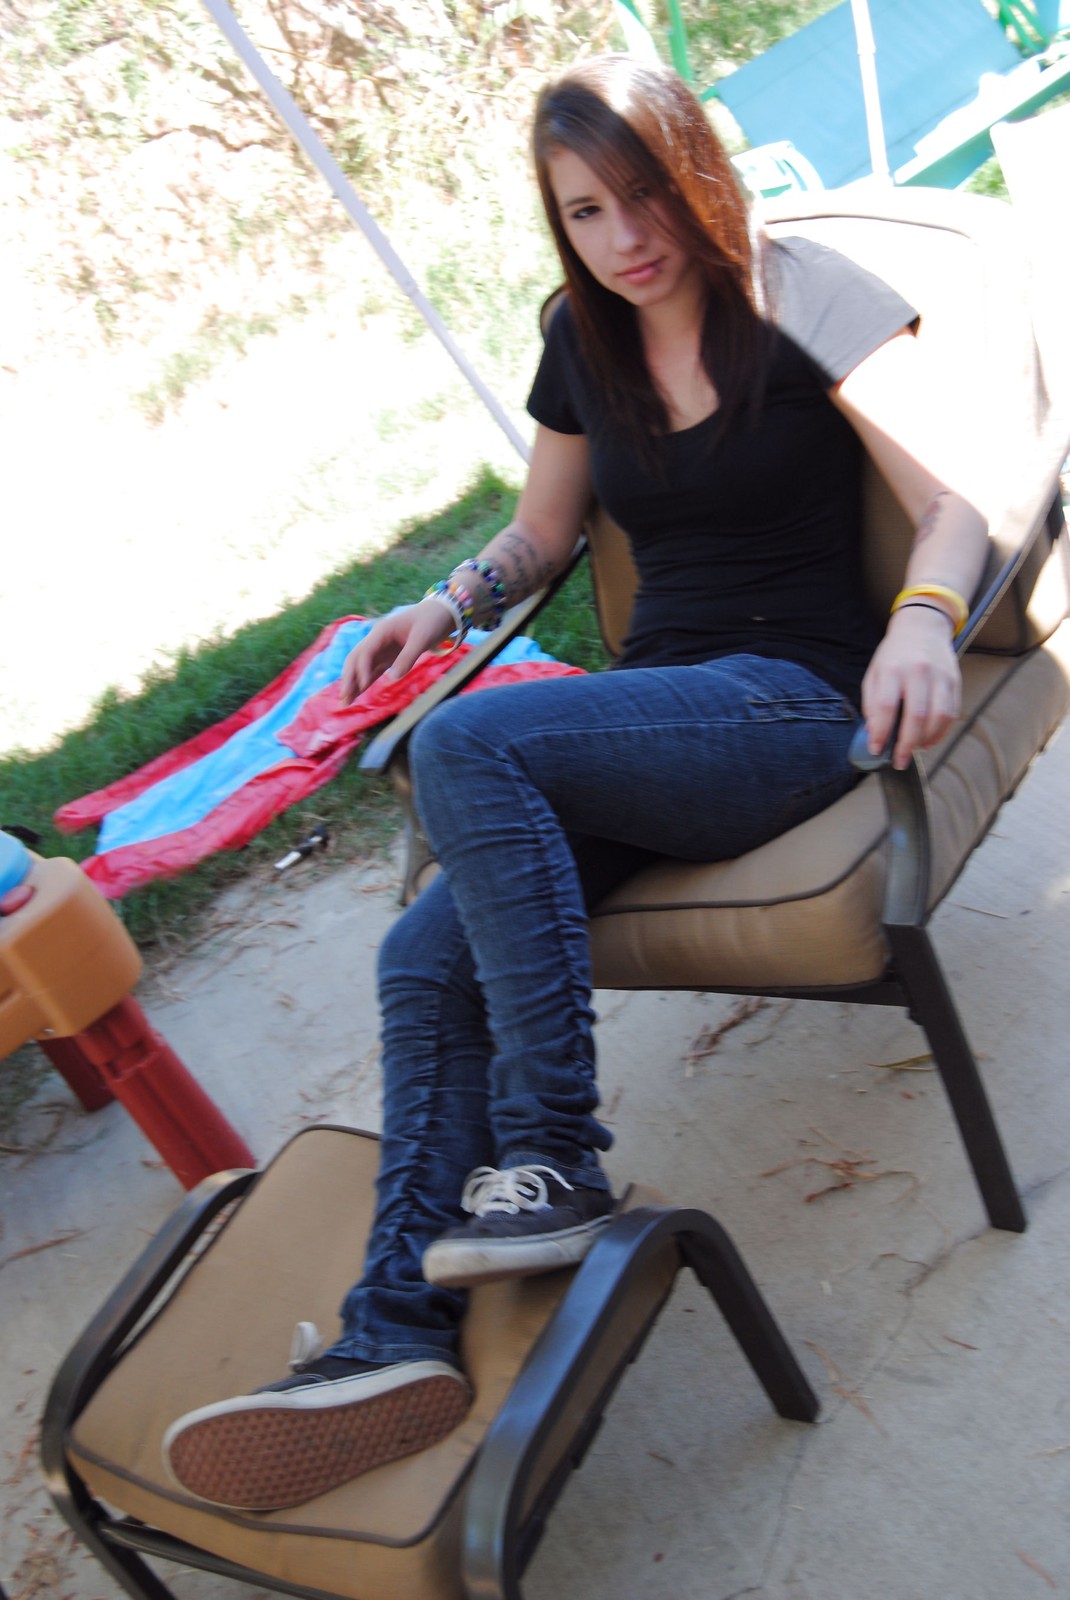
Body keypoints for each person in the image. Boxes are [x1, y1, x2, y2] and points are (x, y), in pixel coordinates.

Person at [162, 53, 988, 1512]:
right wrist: (446, 604)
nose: (623, 237)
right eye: (585, 213)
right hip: (655, 719)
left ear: (695, 170)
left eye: (641, 194)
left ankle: (553, 1154)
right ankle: (389, 1340)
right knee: (422, 957)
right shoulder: (579, 337)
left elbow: (951, 503)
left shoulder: (805, 295)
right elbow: (542, 532)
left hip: (793, 703)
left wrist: (921, 623)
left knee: (467, 743)